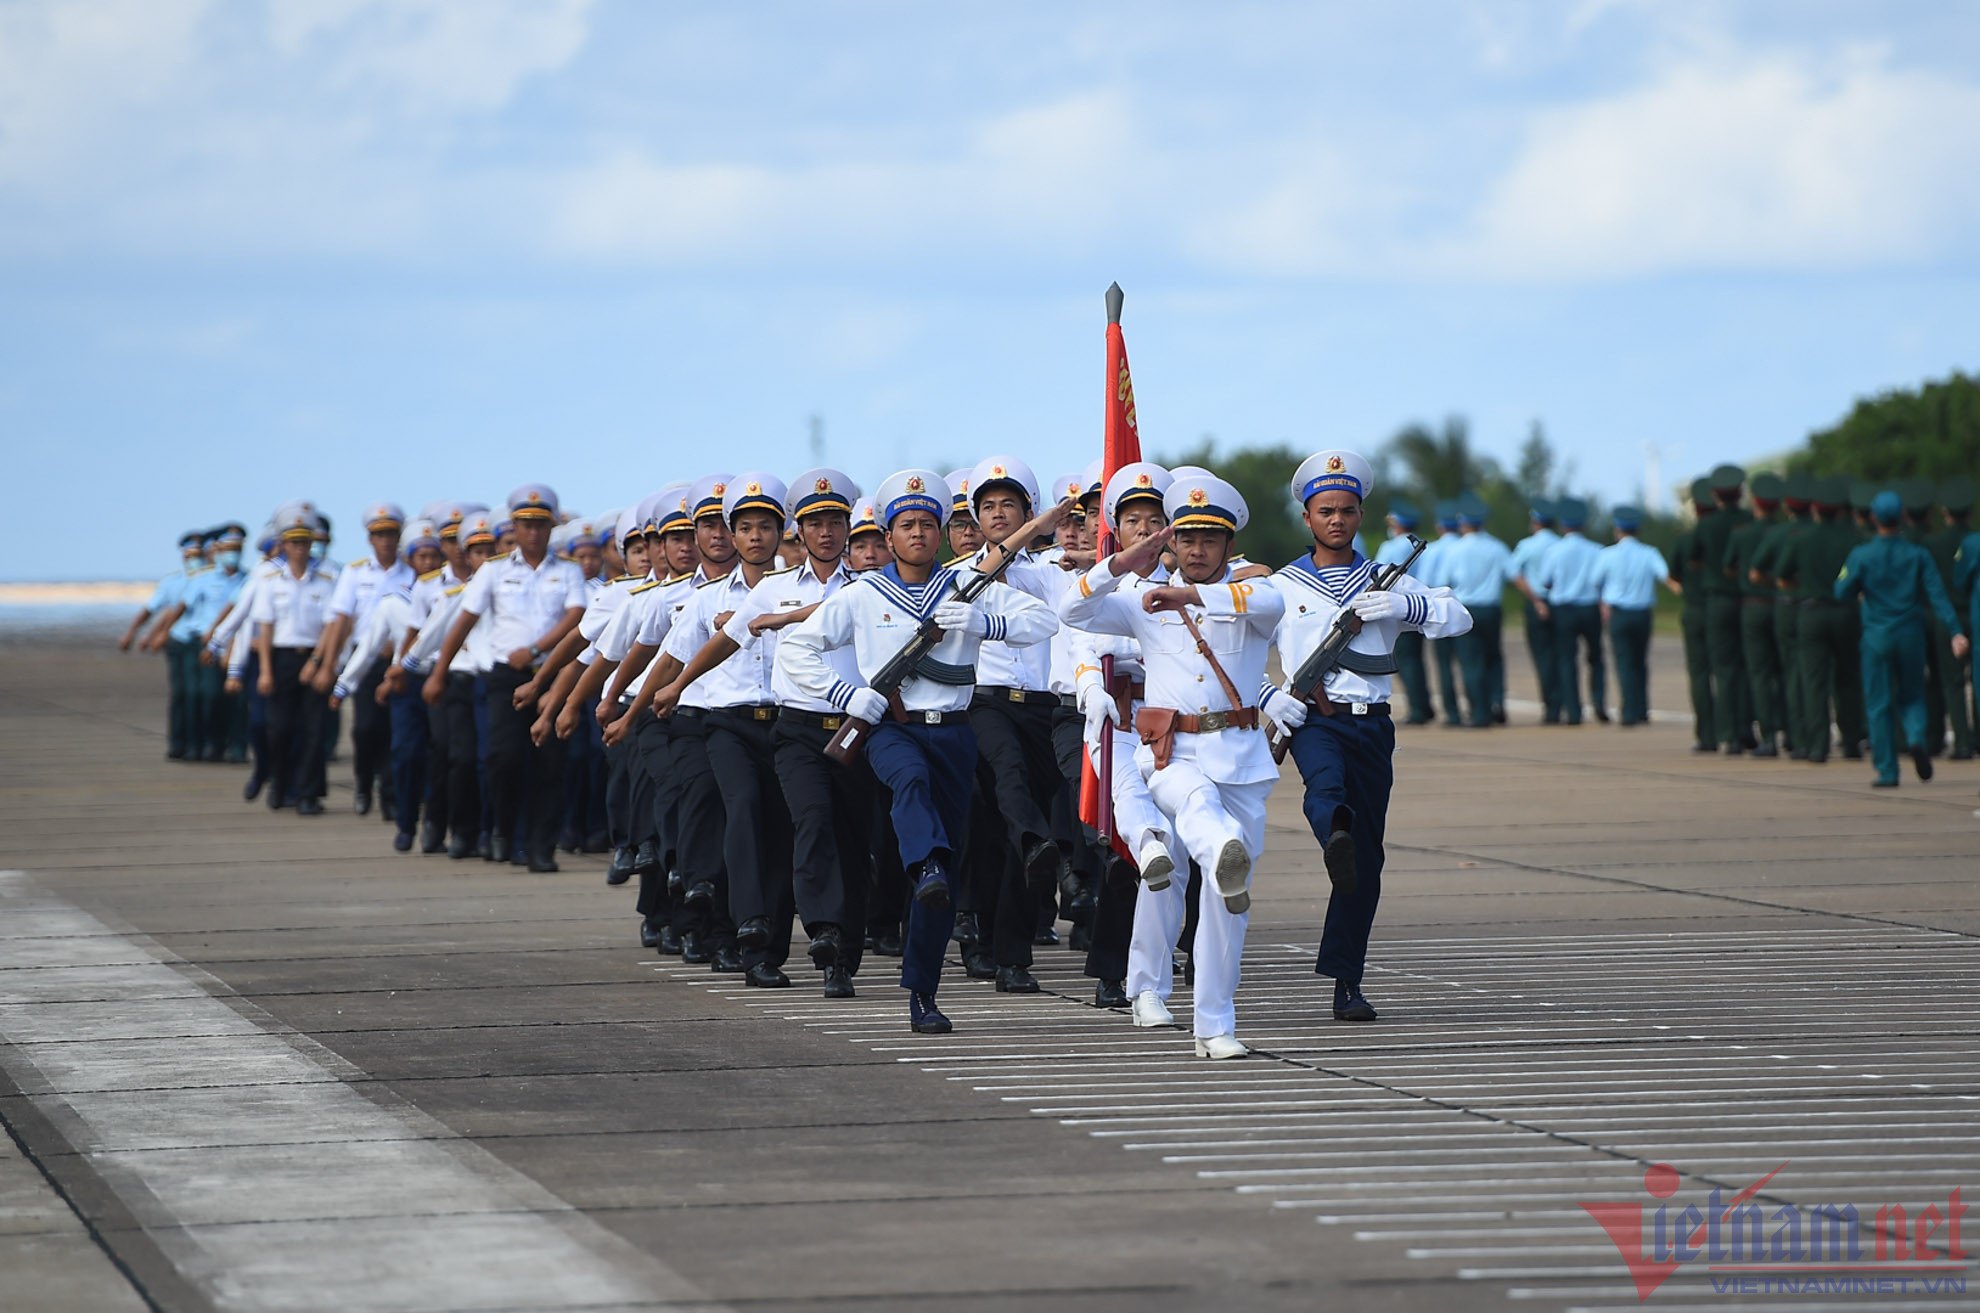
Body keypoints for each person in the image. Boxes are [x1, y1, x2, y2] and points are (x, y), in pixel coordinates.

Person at [781, 469, 1059, 1036]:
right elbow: (797, 647)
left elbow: (1044, 620)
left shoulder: (968, 586)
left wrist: (988, 621)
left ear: (941, 532)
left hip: (954, 730)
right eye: (906, 524)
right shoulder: (861, 594)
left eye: (928, 524)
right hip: (891, 729)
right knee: (907, 782)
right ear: (887, 534)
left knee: (943, 884)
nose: (918, 534)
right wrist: (846, 694)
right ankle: (924, 862)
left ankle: (924, 993)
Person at [1063, 471, 1284, 1058]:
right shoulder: (1140, 601)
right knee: (1194, 822)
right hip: (1171, 753)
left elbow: (1272, 600)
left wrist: (1189, 595)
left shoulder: (1252, 596)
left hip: (1240, 757)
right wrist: (1118, 563)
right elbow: (1073, 611)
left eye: (1210, 540)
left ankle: (1214, 1024)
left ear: (1229, 545)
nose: (1197, 550)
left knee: (1223, 902)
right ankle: (1148, 985)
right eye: (1186, 539)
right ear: (1171, 543)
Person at [1261, 451, 1469, 1028]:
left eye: (1347, 510)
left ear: (1361, 515)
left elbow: (1459, 617)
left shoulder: (1385, 579)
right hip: (1315, 719)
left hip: (1372, 723)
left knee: (1366, 862)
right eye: (1325, 510)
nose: (1337, 520)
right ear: (1307, 517)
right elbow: (1238, 651)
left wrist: (1404, 604)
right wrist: (1266, 696)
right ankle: (1334, 832)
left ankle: (1347, 981)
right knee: (1324, 789)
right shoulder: (1280, 586)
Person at [424, 485, 587, 870]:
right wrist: (439, 671)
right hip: (504, 679)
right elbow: (464, 620)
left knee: (549, 762)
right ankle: (504, 831)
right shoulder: (494, 571)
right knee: (503, 759)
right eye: (526, 525)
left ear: (551, 528)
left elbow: (576, 616)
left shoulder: (568, 572)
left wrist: (534, 650)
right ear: (514, 526)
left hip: (550, 675)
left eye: (541, 525)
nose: (533, 533)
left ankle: (540, 847)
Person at [1836, 490, 1970, 787]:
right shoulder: (1917, 554)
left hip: (1876, 636)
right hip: (1910, 633)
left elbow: (1841, 591)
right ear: (1903, 518)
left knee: (1879, 703)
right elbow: (1937, 595)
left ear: (1873, 518)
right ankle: (1916, 737)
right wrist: (1955, 630)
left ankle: (1887, 770)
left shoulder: (1861, 554)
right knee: (1912, 695)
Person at [319, 502, 413, 817]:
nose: (386, 540)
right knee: (365, 729)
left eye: (391, 534)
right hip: (364, 659)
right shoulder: (355, 572)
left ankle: (389, 795)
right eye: (379, 534)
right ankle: (362, 785)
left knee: (393, 730)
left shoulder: (412, 572)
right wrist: (330, 664)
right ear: (370, 539)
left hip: (399, 659)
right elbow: (341, 620)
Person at [252, 505, 337, 815]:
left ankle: (309, 794)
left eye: (305, 542)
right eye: (294, 543)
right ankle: (280, 784)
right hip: (280, 657)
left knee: (314, 730)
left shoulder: (327, 577)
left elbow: (332, 624)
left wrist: (318, 662)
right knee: (278, 729)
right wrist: (264, 670)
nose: (300, 549)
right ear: (284, 544)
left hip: (313, 654)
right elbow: (265, 626)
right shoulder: (271, 579)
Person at [1777, 478, 1865, 763]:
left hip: (1811, 612)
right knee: (1848, 677)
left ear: (1815, 508)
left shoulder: (1802, 538)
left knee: (1813, 681)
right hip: (1846, 611)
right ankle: (1852, 740)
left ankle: (1817, 745)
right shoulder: (1853, 538)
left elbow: (1782, 575)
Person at [123, 530, 208, 759]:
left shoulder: (208, 578)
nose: (194, 558)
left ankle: (200, 744)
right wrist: (142, 633)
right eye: (190, 554)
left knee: (201, 695)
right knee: (182, 694)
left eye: (198, 553)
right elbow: (160, 611)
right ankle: (179, 743)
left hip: (203, 642)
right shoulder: (173, 582)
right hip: (179, 642)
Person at [1592, 505, 1675, 726]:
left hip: (1619, 613)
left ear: (1616, 529)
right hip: (1642, 613)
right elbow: (1665, 576)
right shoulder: (1649, 553)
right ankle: (1641, 709)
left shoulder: (1607, 554)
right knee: (1640, 661)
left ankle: (1629, 709)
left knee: (1624, 662)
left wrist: (1602, 604)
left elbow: (1594, 582)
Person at [1725, 474, 1787, 756]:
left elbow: (1729, 567)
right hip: (1783, 606)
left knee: (1760, 673)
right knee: (1788, 671)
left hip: (1753, 605)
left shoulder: (1742, 533)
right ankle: (1796, 734)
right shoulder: (1787, 532)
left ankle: (1770, 736)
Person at [1694, 464, 1754, 752]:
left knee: (1725, 669)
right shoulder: (1750, 520)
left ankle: (1728, 733)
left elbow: (1692, 559)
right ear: (1740, 493)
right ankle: (1747, 727)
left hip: (1717, 599)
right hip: (1746, 598)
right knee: (1747, 667)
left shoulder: (1706, 525)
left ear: (1715, 495)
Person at [1532, 498, 1605, 725]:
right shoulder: (1597, 550)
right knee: (1596, 658)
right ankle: (1599, 703)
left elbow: (1545, 581)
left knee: (1566, 660)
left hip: (1563, 609)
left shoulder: (1555, 551)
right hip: (1590, 607)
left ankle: (1573, 711)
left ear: (1563, 525)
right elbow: (1602, 580)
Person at [1442, 491, 1512, 727]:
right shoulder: (1497, 547)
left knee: (1471, 662)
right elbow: (1513, 575)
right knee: (1494, 659)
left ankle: (1480, 711)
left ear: (1463, 522)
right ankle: (1497, 703)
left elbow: (1444, 583)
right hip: (1491, 609)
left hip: (1465, 609)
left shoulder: (1455, 550)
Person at [1924, 478, 1975, 760]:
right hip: (1974, 614)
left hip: (1946, 616)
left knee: (1952, 683)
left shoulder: (1933, 543)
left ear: (1945, 512)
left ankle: (1963, 742)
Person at [1668, 479, 1718, 752]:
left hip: (1696, 610)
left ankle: (1707, 735)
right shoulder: (1735, 532)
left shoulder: (1686, 541)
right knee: (1730, 673)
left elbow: (1674, 576)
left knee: (1700, 674)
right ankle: (1733, 731)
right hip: (1727, 610)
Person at [1376, 501, 1434, 724]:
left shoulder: (1390, 547)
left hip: (1396, 609)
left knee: (1406, 661)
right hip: (1418, 607)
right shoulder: (1420, 545)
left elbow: (1379, 577)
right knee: (1417, 660)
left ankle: (1419, 709)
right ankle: (1424, 704)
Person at [1509, 500, 1562, 724]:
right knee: (1562, 658)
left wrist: (1536, 600)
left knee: (1542, 657)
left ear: (1535, 522)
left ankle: (1551, 707)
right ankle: (1565, 703)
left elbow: (1514, 574)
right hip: (1562, 604)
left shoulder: (1527, 545)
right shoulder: (1561, 544)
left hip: (1536, 602)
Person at [1416, 502, 1466, 726]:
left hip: (1443, 609)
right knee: (1473, 663)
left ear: (1439, 526)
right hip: (1470, 607)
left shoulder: (1434, 550)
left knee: (1445, 665)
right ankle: (1483, 709)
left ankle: (1453, 713)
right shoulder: (1465, 546)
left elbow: (1426, 584)